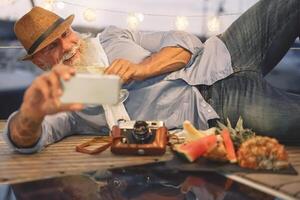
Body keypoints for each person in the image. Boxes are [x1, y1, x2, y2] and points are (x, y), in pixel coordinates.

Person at [3, 0, 300, 154]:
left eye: (65, 34)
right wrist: (31, 114)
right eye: (52, 46)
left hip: (225, 51)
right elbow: (25, 139)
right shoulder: (66, 100)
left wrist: (142, 68)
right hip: (221, 109)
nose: (67, 46)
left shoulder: (113, 35)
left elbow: (186, 43)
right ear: (40, 61)